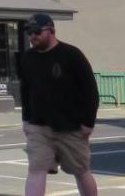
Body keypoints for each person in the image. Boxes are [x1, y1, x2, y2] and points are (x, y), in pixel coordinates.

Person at [19, 12, 98, 196]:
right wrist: (26, 120)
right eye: (29, 33)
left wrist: (88, 122)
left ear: (51, 31)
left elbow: (90, 91)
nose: (32, 37)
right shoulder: (27, 58)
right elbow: (25, 90)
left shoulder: (71, 55)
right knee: (36, 170)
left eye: (37, 32)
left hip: (71, 128)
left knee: (81, 171)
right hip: (39, 127)